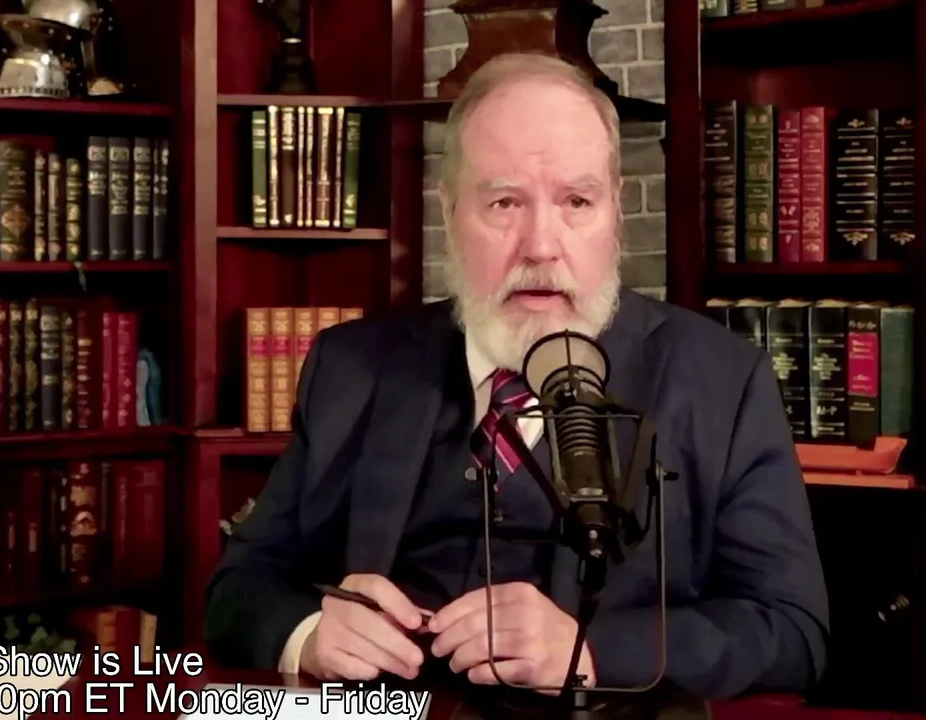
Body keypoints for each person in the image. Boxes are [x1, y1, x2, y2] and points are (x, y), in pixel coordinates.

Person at [203, 52, 829, 700]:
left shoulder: (724, 382)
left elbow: (792, 632)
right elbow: (238, 587)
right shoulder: (352, 368)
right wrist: (309, 633)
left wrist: (589, 652)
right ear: (449, 212)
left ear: (615, 211)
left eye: (576, 201)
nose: (540, 246)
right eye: (504, 202)